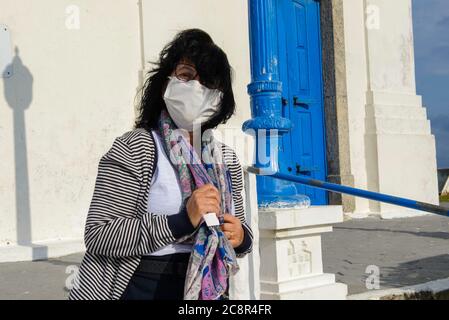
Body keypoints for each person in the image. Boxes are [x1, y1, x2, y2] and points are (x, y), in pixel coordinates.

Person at [68, 28, 253, 300]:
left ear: (220, 97)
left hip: (208, 289)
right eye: (186, 75)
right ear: (166, 82)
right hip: (141, 285)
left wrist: (241, 237)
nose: (195, 88)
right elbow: (99, 234)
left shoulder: (226, 160)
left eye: (209, 82)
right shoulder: (136, 147)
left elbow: (240, 232)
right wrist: (181, 221)